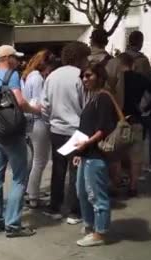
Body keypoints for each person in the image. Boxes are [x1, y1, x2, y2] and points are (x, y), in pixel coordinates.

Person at [0, 45, 40, 238]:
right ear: (6, 58)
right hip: (13, 136)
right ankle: (13, 225)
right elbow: (21, 102)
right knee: (19, 178)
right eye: (15, 57)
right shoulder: (12, 75)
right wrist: (36, 110)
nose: (17, 61)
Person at [42, 41, 90, 224]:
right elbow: (85, 105)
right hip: (76, 129)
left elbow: (45, 105)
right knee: (76, 170)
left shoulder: (52, 76)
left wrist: (51, 119)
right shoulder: (80, 77)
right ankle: (74, 211)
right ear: (79, 57)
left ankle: (55, 206)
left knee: (58, 169)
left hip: (56, 129)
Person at [72, 62, 118, 247]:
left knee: (96, 194)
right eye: (83, 76)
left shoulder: (103, 98)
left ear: (99, 76)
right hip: (86, 153)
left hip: (96, 154)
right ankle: (90, 225)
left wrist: (86, 143)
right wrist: (78, 151)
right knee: (82, 191)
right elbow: (88, 127)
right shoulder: (93, 97)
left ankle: (100, 232)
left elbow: (104, 128)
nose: (85, 79)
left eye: (89, 75)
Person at [109, 53, 151, 196]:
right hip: (136, 118)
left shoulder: (115, 80)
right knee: (135, 157)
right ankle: (133, 186)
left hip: (118, 120)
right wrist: (145, 108)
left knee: (116, 155)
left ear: (119, 63)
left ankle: (116, 184)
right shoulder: (140, 78)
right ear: (132, 64)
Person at [21, 49, 56, 208]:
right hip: (39, 121)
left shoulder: (29, 76)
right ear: (45, 64)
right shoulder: (38, 79)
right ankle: (33, 195)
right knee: (40, 161)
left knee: (36, 159)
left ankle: (31, 192)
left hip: (31, 122)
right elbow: (39, 104)